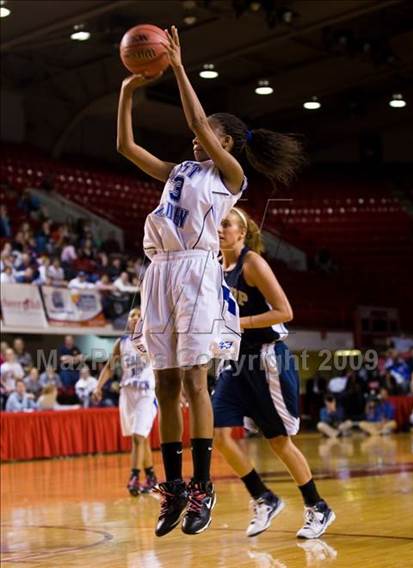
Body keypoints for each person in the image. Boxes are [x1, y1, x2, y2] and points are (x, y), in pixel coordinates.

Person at [117, 25, 304, 537]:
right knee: (165, 384)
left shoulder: (229, 177)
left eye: (205, 136)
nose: (193, 139)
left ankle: (203, 486)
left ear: (224, 143)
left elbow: (197, 119)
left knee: (195, 382)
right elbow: (126, 147)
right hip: (160, 273)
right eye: (194, 138)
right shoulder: (179, 170)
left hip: (197, 273)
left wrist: (177, 66)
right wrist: (126, 93)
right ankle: (174, 488)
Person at [213, 208, 335, 539]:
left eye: (226, 224)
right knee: (219, 434)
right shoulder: (214, 266)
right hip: (235, 361)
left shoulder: (252, 264)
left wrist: (240, 323)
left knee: (279, 442)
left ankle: (318, 506)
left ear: (242, 232)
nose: (219, 228)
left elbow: (285, 312)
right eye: (217, 223)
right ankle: (263, 497)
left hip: (267, 359)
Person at [93, 308, 158, 496]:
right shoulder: (121, 343)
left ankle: (134, 477)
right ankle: (151, 477)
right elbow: (109, 367)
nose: (135, 318)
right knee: (140, 439)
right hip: (127, 393)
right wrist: (98, 387)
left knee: (138, 437)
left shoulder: (152, 339)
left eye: (139, 315)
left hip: (147, 393)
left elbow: (164, 366)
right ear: (128, 321)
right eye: (132, 315)